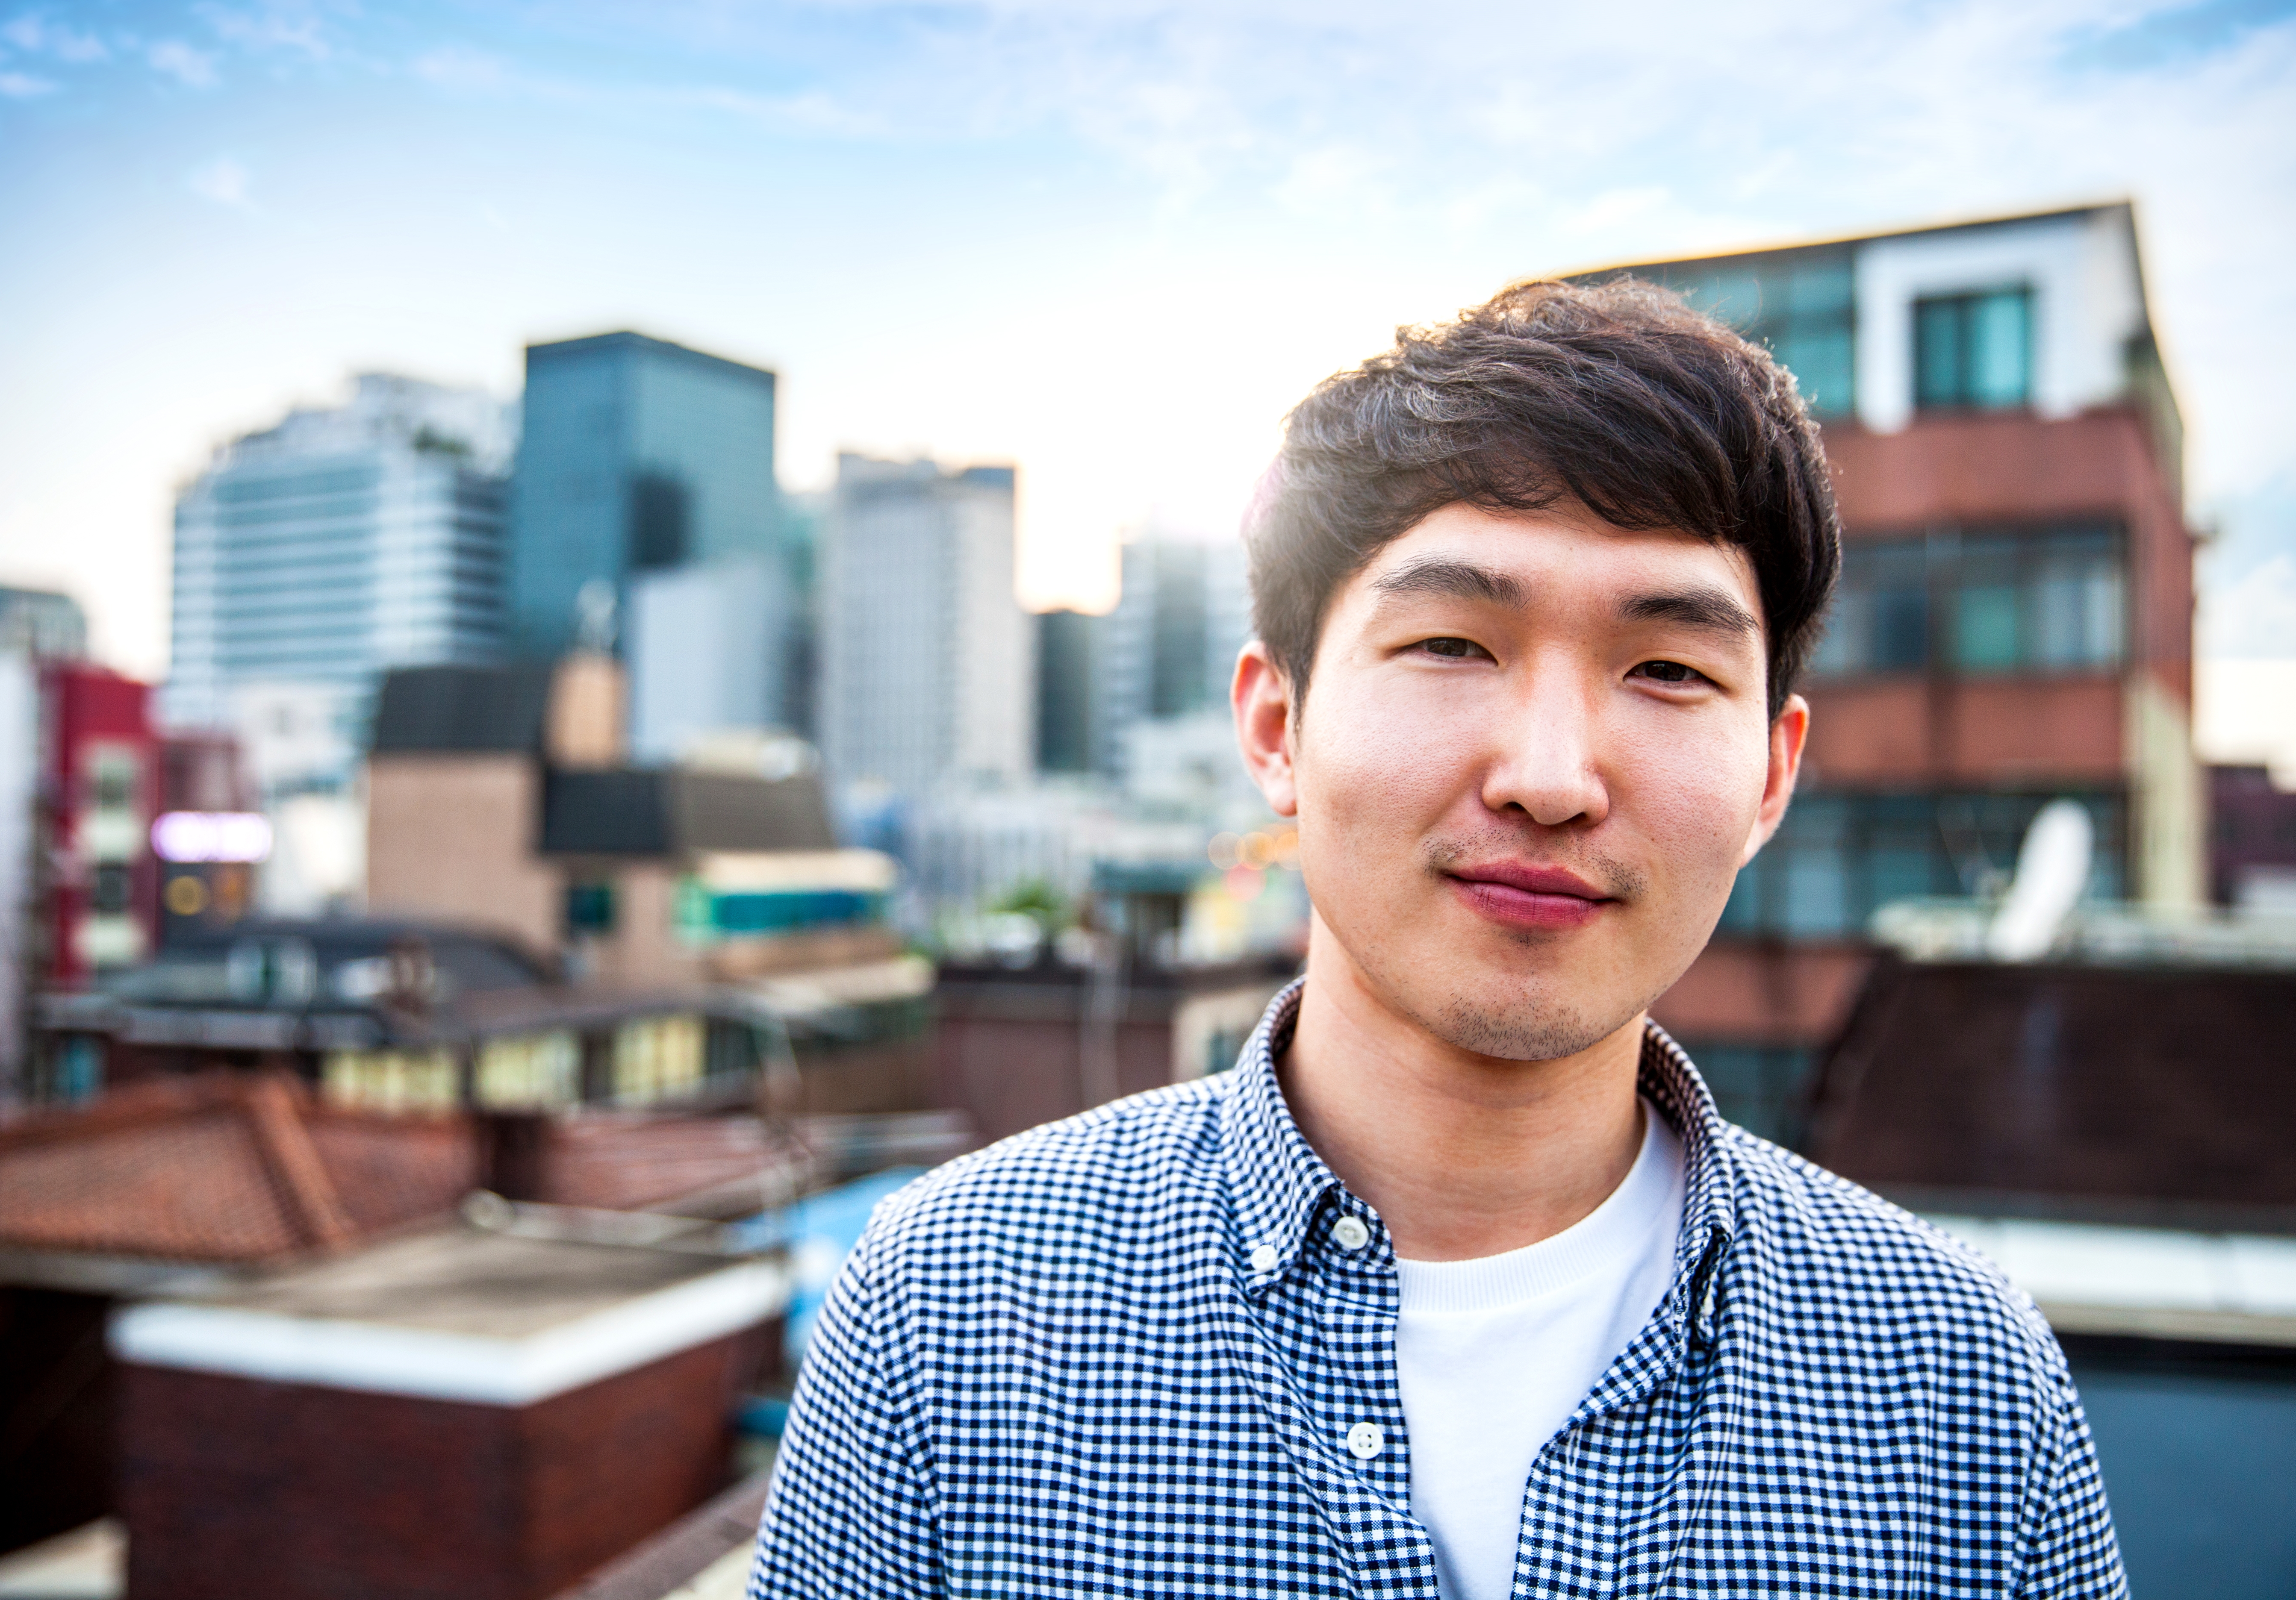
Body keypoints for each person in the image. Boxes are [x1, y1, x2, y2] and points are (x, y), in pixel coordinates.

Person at [749, 279, 2127, 1597]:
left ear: (1771, 776)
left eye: (1668, 669)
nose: (1550, 775)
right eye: (1453, 644)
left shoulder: (1961, 1385)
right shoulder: (949, 1314)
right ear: (1277, 725)